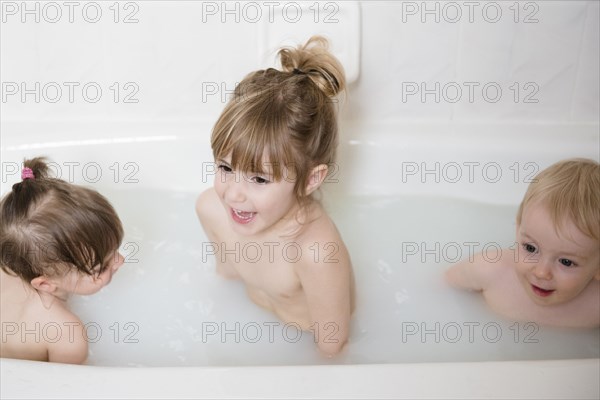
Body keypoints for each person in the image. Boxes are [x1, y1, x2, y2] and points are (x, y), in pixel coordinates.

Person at [196, 36, 355, 356]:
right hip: (253, 327)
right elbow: (225, 277)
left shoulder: (315, 251)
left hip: (304, 342)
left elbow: (332, 347)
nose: (234, 194)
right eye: (225, 168)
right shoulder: (211, 209)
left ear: (311, 179)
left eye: (259, 179)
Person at [445, 158, 599, 328]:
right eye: (530, 248)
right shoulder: (489, 270)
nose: (541, 272)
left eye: (566, 262)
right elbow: (443, 288)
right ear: (518, 229)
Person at [0, 157, 125, 363]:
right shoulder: (66, 334)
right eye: (101, 268)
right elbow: (65, 387)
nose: (120, 261)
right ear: (45, 283)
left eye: (115, 250)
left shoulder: (12, 257)